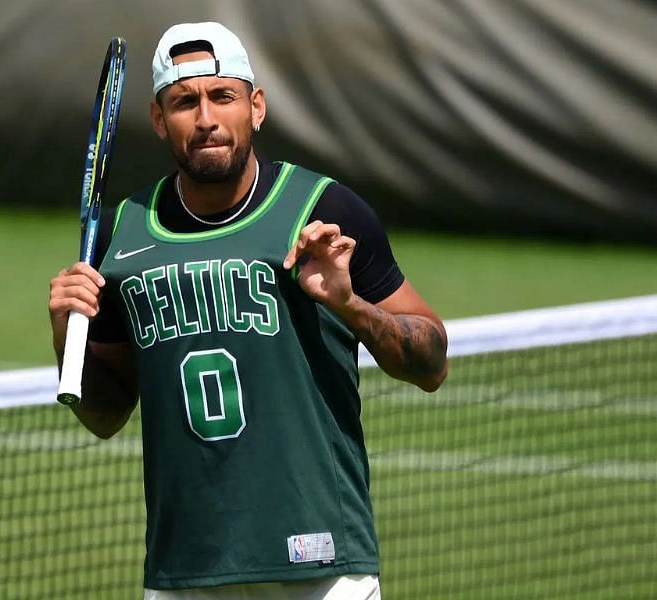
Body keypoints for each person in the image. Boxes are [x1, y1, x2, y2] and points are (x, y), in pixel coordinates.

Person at [48, 22, 448, 599]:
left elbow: (432, 363)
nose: (206, 118)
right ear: (160, 120)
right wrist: (68, 338)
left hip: (322, 565)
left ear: (256, 107)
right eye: (185, 102)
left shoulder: (324, 210)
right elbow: (105, 414)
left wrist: (350, 305)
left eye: (223, 96)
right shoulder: (121, 233)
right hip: (187, 568)